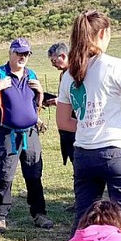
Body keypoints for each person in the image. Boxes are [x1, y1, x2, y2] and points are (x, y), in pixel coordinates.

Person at [56, 9, 121, 239]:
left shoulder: (69, 74)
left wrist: (87, 125)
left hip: (84, 153)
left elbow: (63, 121)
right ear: (103, 33)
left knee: (83, 217)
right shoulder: (117, 66)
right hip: (117, 152)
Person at [0, 37, 54, 235]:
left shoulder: (31, 74)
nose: (22, 57)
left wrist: (41, 93)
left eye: (26, 54)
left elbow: (36, 105)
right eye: (19, 53)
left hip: (30, 133)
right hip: (7, 134)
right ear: (10, 53)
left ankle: (39, 214)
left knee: (34, 174)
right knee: (5, 175)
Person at [45, 42, 76, 212]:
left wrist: (61, 102)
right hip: (66, 128)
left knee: (79, 162)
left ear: (63, 56)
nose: (53, 64)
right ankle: (79, 200)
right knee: (74, 162)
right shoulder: (63, 74)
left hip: (76, 125)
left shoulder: (77, 72)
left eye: (54, 60)